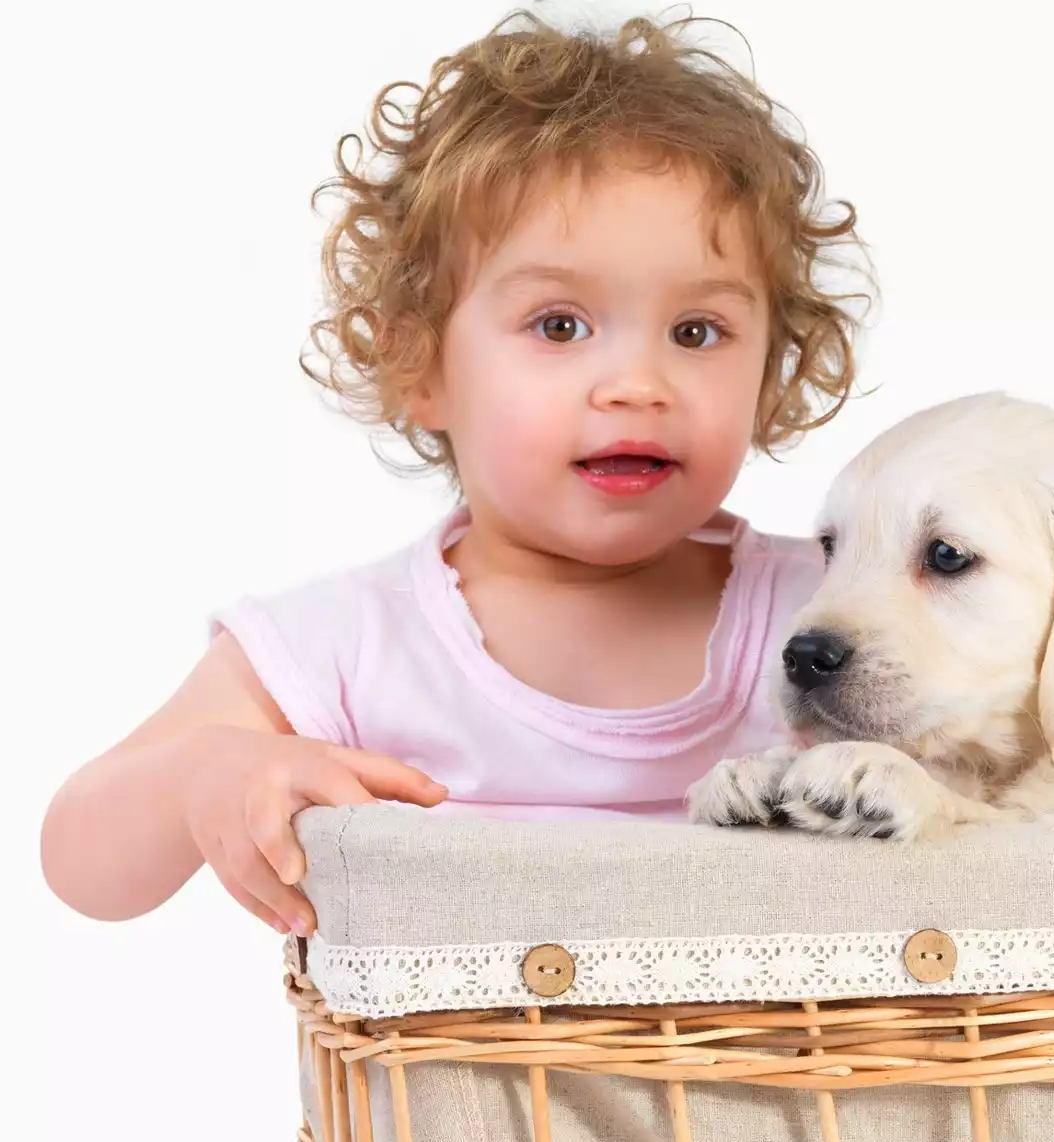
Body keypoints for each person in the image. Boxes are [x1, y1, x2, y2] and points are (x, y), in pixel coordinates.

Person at [41, 11, 867, 939]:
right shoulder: (353, 643)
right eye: (559, 325)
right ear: (421, 365)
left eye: (697, 332)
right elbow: (80, 862)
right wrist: (205, 772)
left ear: (770, 370)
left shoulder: (834, 612)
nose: (639, 384)